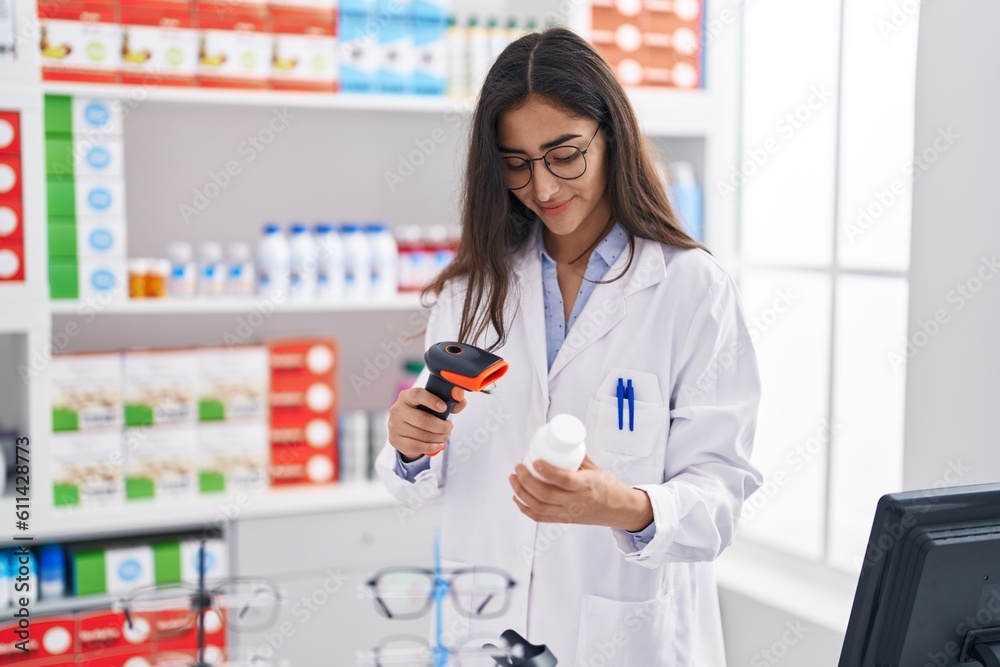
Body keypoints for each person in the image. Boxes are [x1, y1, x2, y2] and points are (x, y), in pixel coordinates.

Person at [376, 28, 761, 666]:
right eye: (518, 163)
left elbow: (721, 496)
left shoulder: (691, 289)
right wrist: (411, 446)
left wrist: (626, 507)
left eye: (564, 155)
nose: (545, 188)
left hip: (624, 637)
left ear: (611, 134)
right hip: (489, 628)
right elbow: (425, 479)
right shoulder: (471, 292)